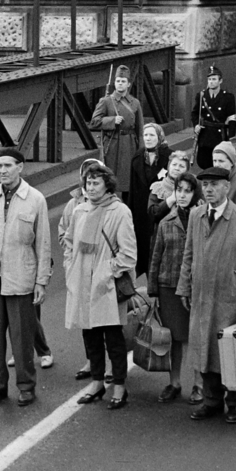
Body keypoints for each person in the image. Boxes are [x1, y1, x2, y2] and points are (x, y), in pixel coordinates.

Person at [177, 159, 236, 425]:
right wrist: (184, 286)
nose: (208, 190)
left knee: (231, 352)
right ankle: (211, 401)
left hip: (229, 298)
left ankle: (235, 402)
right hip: (201, 296)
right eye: (205, 185)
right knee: (205, 349)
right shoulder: (195, 215)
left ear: (227, 186)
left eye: (214, 185)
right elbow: (188, 253)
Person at [0, 145, 52, 407]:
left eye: (7, 165)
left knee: (22, 338)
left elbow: (43, 244)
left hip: (21, 280)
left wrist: (41, 281)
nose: (2, 170)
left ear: (20, 167)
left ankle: (26, 386)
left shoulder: (35, 199)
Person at [63, 160, 137, 409]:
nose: (91, 188)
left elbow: (128, 254)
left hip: (105, 286)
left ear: (108, 186)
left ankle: (119, 386)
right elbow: (69, 242)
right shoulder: (79, 211)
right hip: (82, 282)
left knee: (113, 338)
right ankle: (96, 382)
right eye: (88, 183)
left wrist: (106, 273)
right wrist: (70, 268)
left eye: (96, 183)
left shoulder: (120, 212)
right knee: (90, 335)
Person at [146, 172, 199, 402]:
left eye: (188, 191)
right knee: (173, 338)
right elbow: (155, 257)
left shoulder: (202, 219)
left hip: (196, 287)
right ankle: (174, 382)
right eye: (179, 190)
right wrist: (153, 290)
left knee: (196, 337)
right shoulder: (166, 222)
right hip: (169, 286)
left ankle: (199, 384)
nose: (183, 195)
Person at [92, 67, 150, 271]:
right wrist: (110, 121)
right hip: (114, 147)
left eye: (124, 82)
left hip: (130, 146)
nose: (120, 85)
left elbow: (140, 128)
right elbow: (94, 122)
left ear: (128, 84)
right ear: (114, 83)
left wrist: (142, 149)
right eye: (117, 81)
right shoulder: (106, 101)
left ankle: (127, 217)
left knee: (130, 184)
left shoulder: (134, 103)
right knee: (114, 182)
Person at [193, 67, 236, 172]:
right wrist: (196, 125)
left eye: (214, 79)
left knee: (220, 163)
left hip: (219, 135)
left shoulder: (228, 97)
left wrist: (231, 138)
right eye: (209, 79)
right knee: (204, 163)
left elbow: (232, 119)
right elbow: (194, 113)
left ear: (220, 81)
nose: (211, 82)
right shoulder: (201, 95)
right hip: (205, 135)